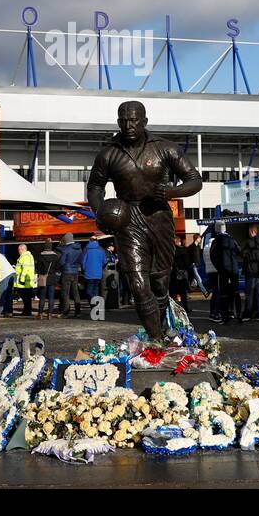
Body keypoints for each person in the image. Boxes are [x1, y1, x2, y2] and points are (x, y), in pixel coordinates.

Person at [86, 100, 203, 341]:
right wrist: (101, 211)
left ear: (144, 121)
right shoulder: (109, 153)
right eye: (123, 120)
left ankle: (160, 330)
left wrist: (172, 192)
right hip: (127, 220)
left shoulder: (165, 148)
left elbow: (194, 179)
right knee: (139, 285)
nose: (128, 125)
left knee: (160, 284)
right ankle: (155, 341)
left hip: (159, 218)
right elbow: (95, 186)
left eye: (133, 120)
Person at [210, 222, 241, 324]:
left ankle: (225, 318)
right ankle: (238, 315)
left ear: (216, 230)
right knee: (236, 292)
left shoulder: (216, 241)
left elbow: (213, 256)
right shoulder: (232, 239)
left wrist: (219, 267)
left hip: (223, 270)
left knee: (223, 294)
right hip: (234, 269)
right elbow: (239, 251)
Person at [242, 225, 259, 322]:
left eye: (250, 231)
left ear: (253, 232)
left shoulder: (249, 242)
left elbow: (243, 254)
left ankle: (248, 313)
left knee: (249, 293)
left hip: (251, 270)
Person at [58, 232, 84, 317]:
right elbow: (81, 261)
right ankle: (78, 311)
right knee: (75, 291)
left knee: (66, 292)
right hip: (75, 272)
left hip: (66, 272)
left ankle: (66, 311)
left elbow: (61, 262)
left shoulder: (66, 249)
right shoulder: (79, 249)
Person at [36, 241, 60, 319]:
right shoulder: (55, 256)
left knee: (42, 296)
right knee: (51, 297)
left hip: (43, 278)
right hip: (52, 278)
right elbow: (57, 267)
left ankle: (40, 314)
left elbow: (38, 268)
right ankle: (50, 314)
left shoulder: (40, 256)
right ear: (51, 247)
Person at [170, 235, 193, 311]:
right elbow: (187, 263)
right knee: (183, 293)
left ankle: (172, 308)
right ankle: (186, 307)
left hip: (172, 274)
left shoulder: (169, 251)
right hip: (181, 274)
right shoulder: (182, 251)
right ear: (178, 242)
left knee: (172, 293)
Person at [82, 234, 107, 303]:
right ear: (97, 241)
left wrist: (84, 269)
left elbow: (83, 261)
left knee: (89, 289)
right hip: (98, 273)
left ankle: (92, 302)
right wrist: (100, 267)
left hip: (88, 273)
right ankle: (95, 303)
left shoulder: (86, 249)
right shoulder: (101, 249)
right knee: (96, 288)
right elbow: (105, 261)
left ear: (90, 241)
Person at [13, 244, 36, 317]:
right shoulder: (28, 256)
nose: (18, 251)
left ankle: (27, 312)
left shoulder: (25, 257)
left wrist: (21, 279)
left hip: (24, 282)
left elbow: (25, 269)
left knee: (26, 298)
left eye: (19, 250)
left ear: (22, 249)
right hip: (27, 282)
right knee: (27, 298)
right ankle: (27, 311)